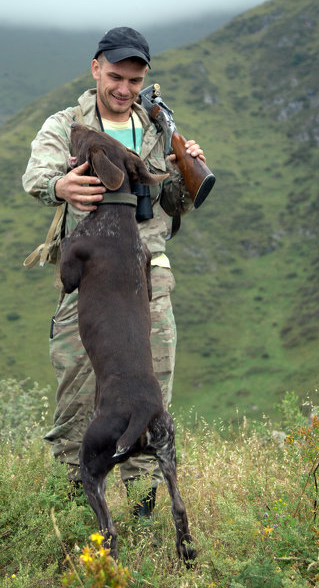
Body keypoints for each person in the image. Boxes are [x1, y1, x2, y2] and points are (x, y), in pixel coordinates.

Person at [22, 27, 206, 515]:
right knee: (78, 403)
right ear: (95, 68)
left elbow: (174, 202)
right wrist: (60, 186)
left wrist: (187, 170)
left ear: (145, 77)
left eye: (135, 78)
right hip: (93, 287)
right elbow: (35, 177)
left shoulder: (156, 129)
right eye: (116, 76)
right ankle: (71, 515)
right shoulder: (66, 125)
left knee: (148, 402)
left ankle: (144, 519)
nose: (124, 88)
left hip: (151, 282)